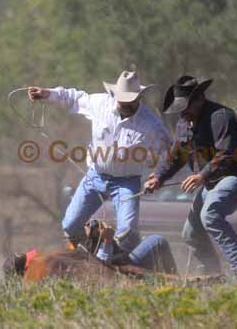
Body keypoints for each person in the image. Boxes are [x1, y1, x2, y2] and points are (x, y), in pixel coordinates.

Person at [28, 70, 172, 262]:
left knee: (127, 232)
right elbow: (74, 98)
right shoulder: (100, 104)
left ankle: (128, 264)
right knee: (70, 225)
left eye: (130, 100)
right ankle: (93, 257)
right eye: (123, 99)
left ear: (138, 98)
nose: (126, 104)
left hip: (126, 183)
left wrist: (158, 176)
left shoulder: (150, 124)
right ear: (115, 96)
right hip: (95, 176)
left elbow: (170, 151)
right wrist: (48, 93)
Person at [144, 75, 237, 277]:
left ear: (199, 99)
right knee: (190, 233)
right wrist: (159, 177)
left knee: (211, 215)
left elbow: (227, 153)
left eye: (186, 107)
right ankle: (211, 274)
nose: (183, 113)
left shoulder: (221, 116)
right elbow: (176, 156)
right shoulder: (184, 124)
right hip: (213, 180)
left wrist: (202, 176)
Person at [3, 219, 177, 280]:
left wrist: (93, 236)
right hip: (119, 266)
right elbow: (98, 266)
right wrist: (106, 240)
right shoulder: (49, 265)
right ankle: (175, 280)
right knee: (157, 241)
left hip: (110, 264)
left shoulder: (50, 271)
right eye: (31, 257)